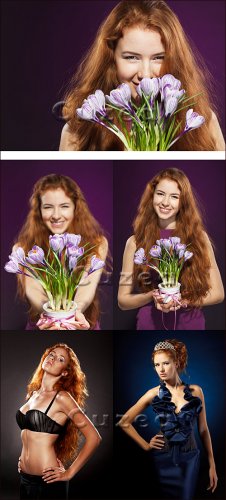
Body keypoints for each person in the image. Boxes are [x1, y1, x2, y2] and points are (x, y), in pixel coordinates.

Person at [59, 0, 225, 151]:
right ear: (111, 59)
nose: (145, 75)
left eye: (158, 58)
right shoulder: (79, 131)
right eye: (131, 57)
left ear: (175, 61)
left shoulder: (205, 123)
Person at [118, 167, 224, 330]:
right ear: (152, 196)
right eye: (160, 194)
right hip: (149, 325)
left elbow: (218, 293)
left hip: (191, 324)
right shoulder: (134, 242)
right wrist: (152, 296)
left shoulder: (198, 238)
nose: (165, 202)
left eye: (174, 196)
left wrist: (184, 301)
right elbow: (123, 301)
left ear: (183, 202)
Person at [118, 339, 218, 500]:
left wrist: (212, 464)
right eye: (157, 365)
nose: (161, 369)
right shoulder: (153, 393)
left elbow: (203, 429)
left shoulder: (196, 391)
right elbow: (124, 422)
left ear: (176, 363)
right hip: (161, 458)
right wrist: (145, 445)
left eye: (165, 363)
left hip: (189, 457)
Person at [13, 174, 108, 330]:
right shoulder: (22, 249)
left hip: (80, 323)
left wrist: (71, 316)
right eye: (48, 207)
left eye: (64, 206)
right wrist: (55, 317)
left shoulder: (97, 243)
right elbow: (33, 290)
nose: (56, 215)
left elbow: (86, 287)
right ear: (38, 210)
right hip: (44, 325)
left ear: (76, 208)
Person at [17, 343, 102, 500]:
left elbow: (94, 437)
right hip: (24, 479)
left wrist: (69, 473)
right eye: (52, 354)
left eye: (60, 359)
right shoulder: (33, 394)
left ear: (65, 372)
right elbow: (30, 436)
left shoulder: (62, 398)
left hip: (47, 482)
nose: (53, 358)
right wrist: (24, 461)